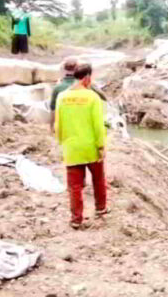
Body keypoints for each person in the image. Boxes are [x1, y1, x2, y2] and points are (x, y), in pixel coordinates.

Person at [55, 63, 107, 229]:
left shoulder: (62, 97)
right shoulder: (93, 97)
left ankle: (76, 219)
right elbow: (98, 125)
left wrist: (62, 141)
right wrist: (101, 145)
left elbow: (59, 124)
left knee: (75, 186)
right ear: (87, 78)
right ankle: (100, 208)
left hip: (71, 147)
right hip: (90, 145)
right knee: (98, 179)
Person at [50, 58, 108, 133]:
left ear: (64, 70)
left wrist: (52, 127)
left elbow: (53, 110)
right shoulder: (86, 85)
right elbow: (104, 98)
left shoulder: (57, 88)